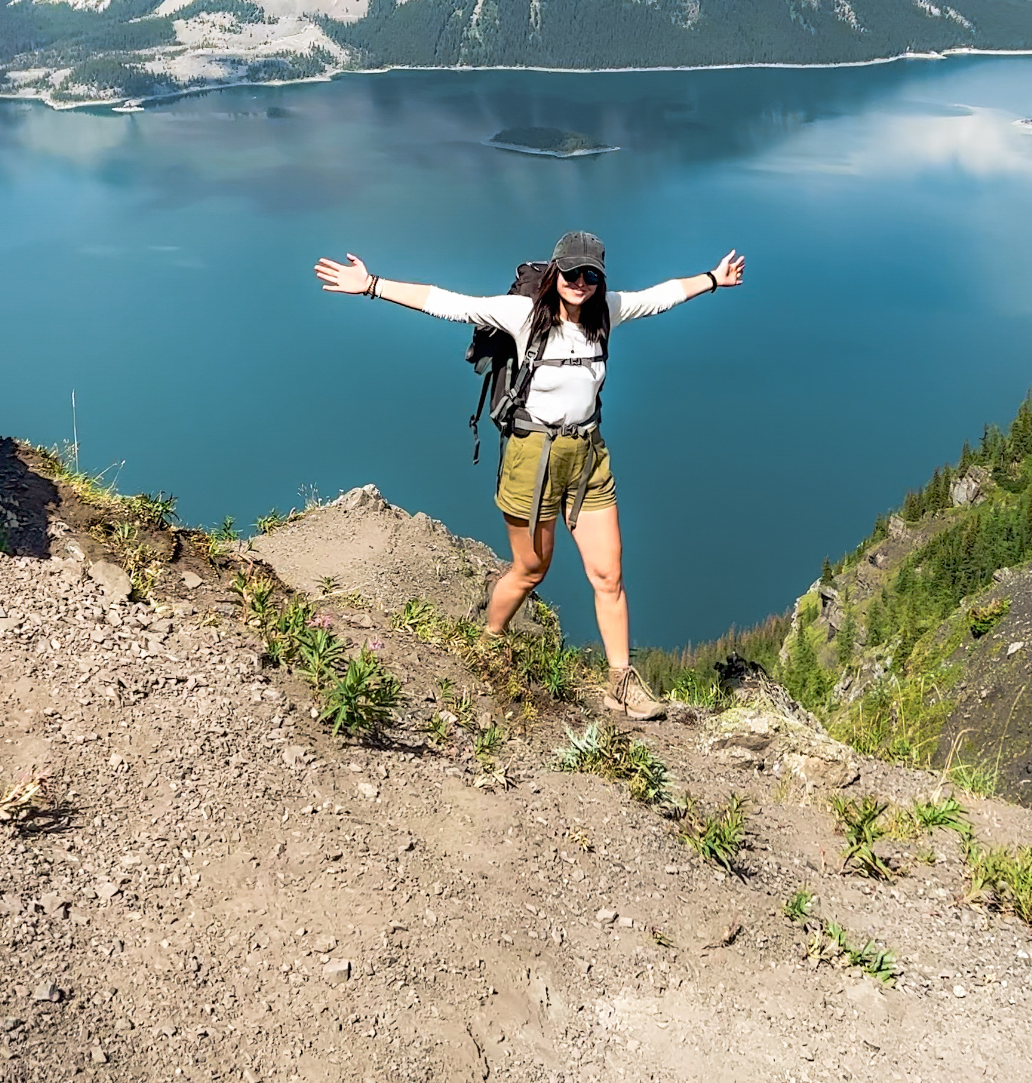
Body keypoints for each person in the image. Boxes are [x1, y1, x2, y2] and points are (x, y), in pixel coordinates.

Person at [313, 230, 744, 720]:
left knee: (610, 575)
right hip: (531, 456)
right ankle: (490, 639)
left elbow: (661, 296)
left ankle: (620, 683)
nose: (581, 282)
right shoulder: (523, 316)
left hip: (587, 456)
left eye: (592, 274)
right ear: (555, 272)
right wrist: (371, 284)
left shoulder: (607, 312)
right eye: (572, 272)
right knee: (531, 569)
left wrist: (713, 279)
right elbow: (448, 304)